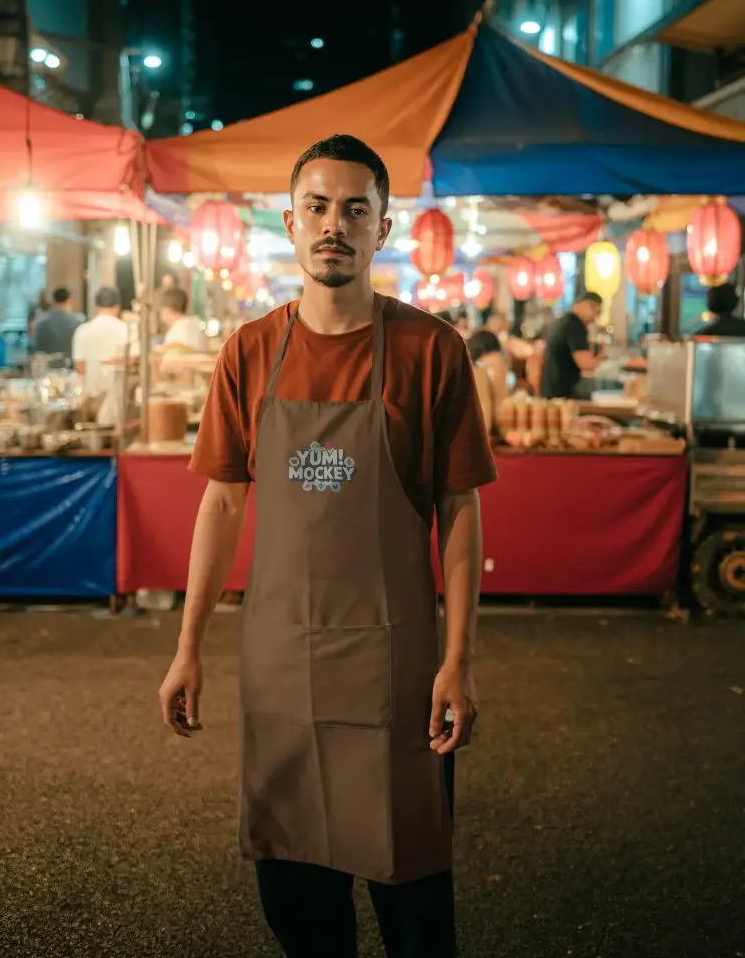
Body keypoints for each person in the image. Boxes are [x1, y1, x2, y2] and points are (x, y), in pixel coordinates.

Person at [158, 134, 497, 958]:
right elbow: (222, 503)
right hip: (281, 660)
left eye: (354, 209)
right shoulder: (248, 352)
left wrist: (458, 659)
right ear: (290, 222)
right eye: (316, 207)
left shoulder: (431, 350)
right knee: (296, 897)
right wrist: (188, 647)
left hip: (396, 666)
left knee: (413, 898)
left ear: (383, 227)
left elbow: (459, 510)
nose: (333, 225)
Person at [72, 286, 138, 425]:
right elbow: (134, 361)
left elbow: (79, 365)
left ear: (96, 306)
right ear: (117, 306)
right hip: (120, 400)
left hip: (91, 399)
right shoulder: (127, 329)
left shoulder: (83, 330)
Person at [541, 291, 605, 399]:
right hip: (565, 394)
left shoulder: (561, 322)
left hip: (551, 391)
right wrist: (602, 354)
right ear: (588, 305)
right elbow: (586, 364)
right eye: (596, 311)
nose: (595, 317)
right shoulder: (575, 325)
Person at [33, 287, 82, 362]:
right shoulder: (78, 322)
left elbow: (39, 349)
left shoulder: (42, 322)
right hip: (71, 364)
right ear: (69, 300)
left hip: (49, 365)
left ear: (54, 301)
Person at [159, 286, 209, 352]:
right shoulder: (194, 324)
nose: (160, 312)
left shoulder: (180, 330)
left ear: (168, 310)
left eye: (161, 308)